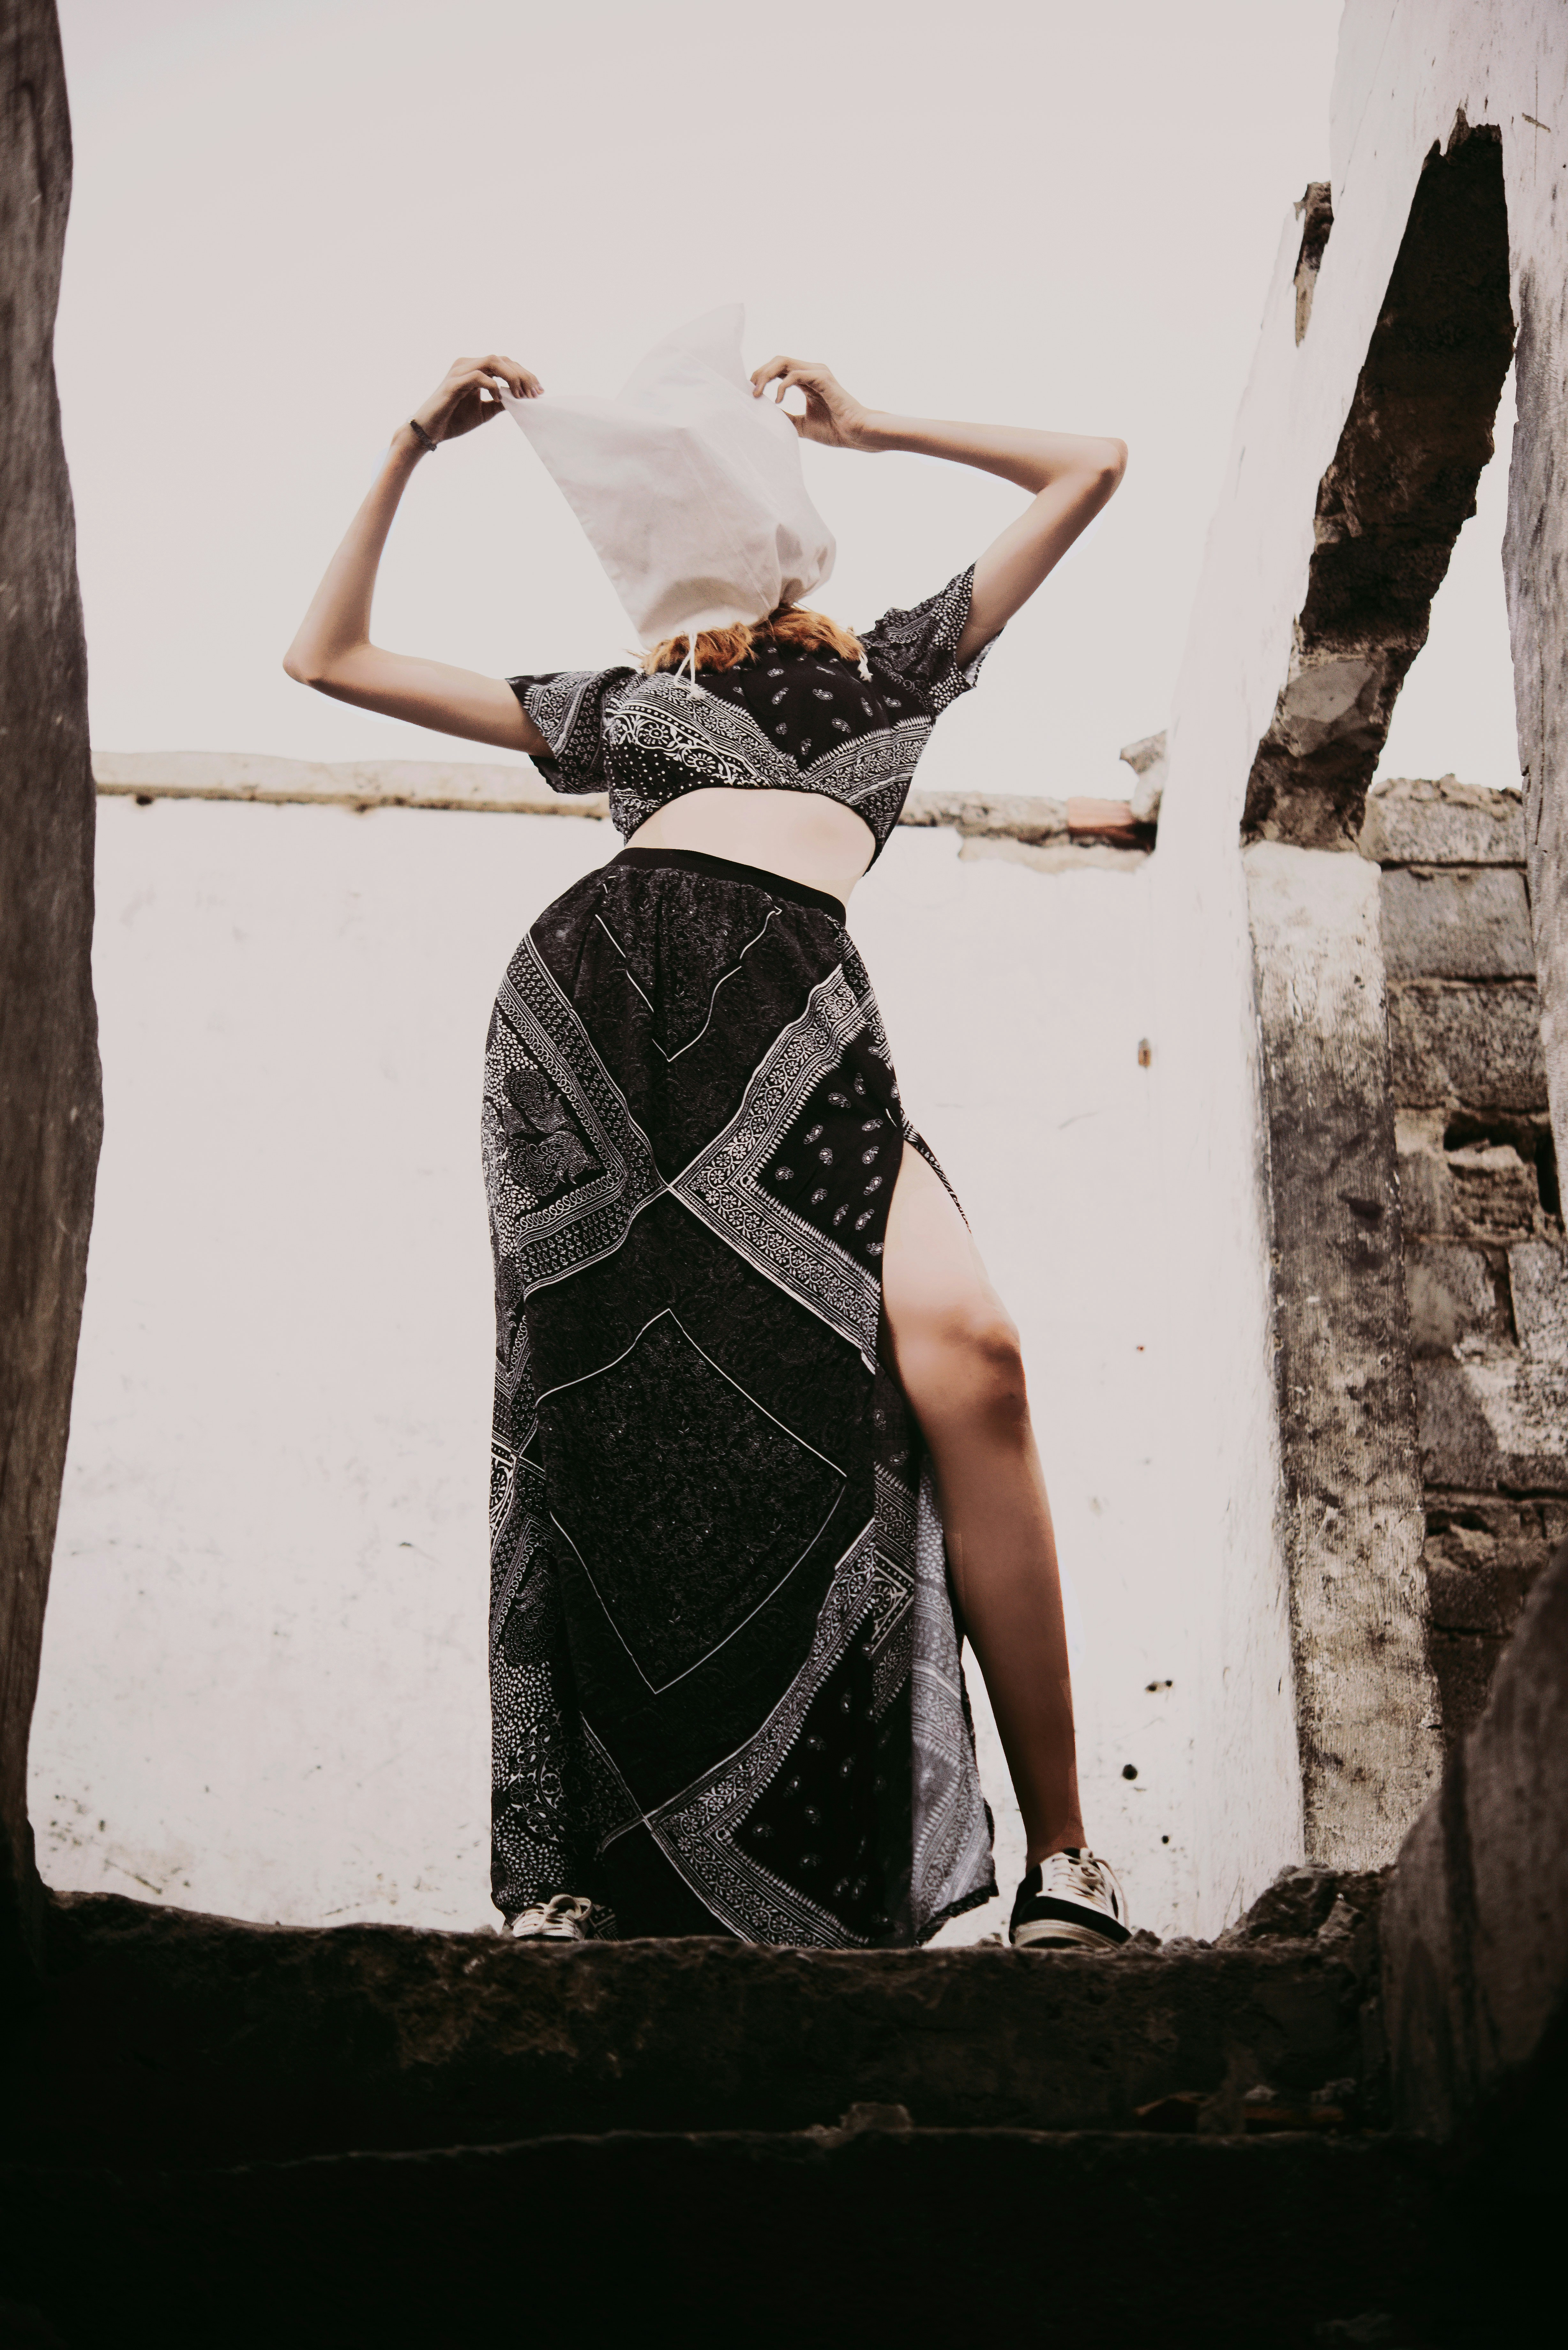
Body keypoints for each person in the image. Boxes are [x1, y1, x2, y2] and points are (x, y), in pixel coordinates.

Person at [284, 347, 1130, 1953]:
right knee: (598, 1415)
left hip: (800, 1019)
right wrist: (412, 439)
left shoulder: (899, 664)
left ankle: (1068, 1863)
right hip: (598, 1023)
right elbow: (324, 656)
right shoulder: (619, 706)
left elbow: (1090, 464)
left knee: (972, 1357)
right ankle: (581, 1874)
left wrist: (879, 421)